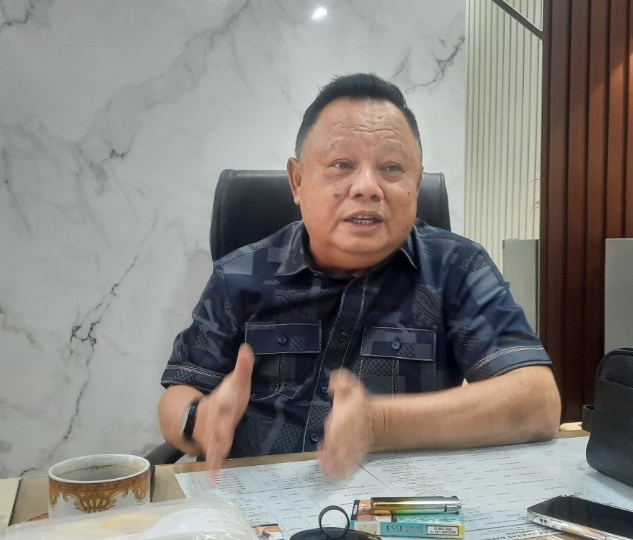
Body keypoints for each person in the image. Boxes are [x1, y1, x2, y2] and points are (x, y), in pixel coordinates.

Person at [158, 73, 561, 479]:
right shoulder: (239, 275)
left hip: (398, 503)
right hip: (254, 501)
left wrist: (377, 423)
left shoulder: (457, 267)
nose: (367, 187)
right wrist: (198, 422)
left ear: (416, 182)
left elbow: (538, 403)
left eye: (391, 167)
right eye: (342, 165)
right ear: (297, 181)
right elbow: (180, 391)